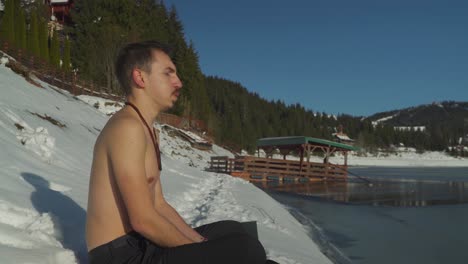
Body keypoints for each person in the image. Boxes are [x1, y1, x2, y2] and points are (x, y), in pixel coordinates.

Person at [86, 40, 275, 264]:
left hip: (140, 243)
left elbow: (158, 204)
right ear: (140, 78)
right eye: (168, 74)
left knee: (234, 231)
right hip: (121, 256)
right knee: (247, 249)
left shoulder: (148, 130)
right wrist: (206, 252)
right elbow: (142, 220)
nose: (179, 82)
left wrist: (201, 244)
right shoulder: (127, 128)